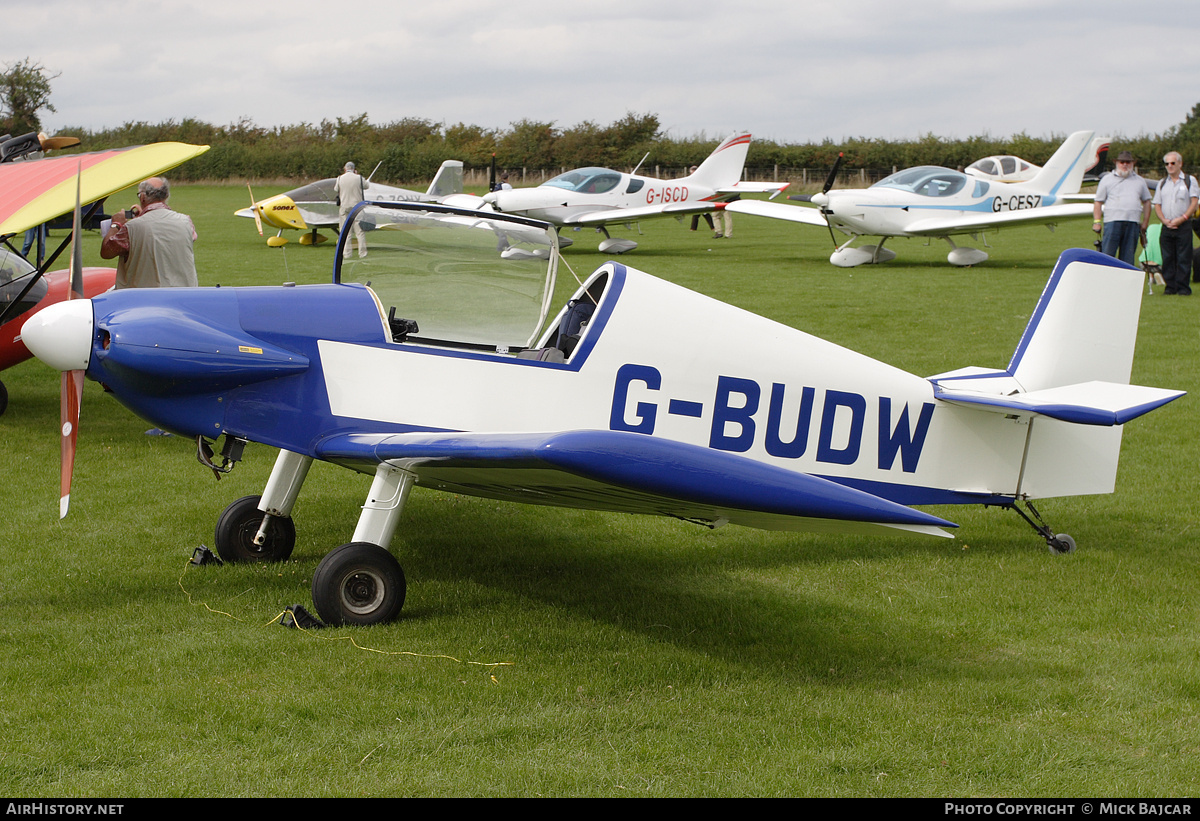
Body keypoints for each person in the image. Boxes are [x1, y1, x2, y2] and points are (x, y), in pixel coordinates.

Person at [100, 177, 197, 289]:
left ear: (142, 197)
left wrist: (116, 224)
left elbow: (107, 252)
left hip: (145, 298)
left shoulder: (132, 227)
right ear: (166, 196)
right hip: (183, 294)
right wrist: (142, 216)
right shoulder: (186, 221)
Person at [1151, 152, 1198, 295]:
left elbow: (1194, 202)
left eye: (1173, 163)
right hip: (1167, 226)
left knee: (1184, 258)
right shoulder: (1162, 183)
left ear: (1180, 164)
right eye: (1167, 164)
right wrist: (1164, 220)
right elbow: (1157, 204)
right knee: (1168, 258)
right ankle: (1170, 287)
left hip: (1183, 225)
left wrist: (1183, 218)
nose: (1170, 166)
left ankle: (1183, 288)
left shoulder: (1190, 181)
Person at [1092, 151, 1151, 266]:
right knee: (1107, 256)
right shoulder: (1107, 179)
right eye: (1122, 162)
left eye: (1128, 162)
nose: (1125, 165)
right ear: (1116, 163)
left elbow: (1147, 201)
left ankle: (1125, 282)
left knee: (1128, 258)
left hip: (1133, 223)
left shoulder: (1140, 181)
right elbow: (1098, 202)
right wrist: (1097, 222)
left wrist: (1145, 222)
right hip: (1112, 222)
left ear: (1132, 164)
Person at [334, 161, 369, 259]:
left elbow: (336, 189)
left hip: (345, 207)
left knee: (346, 232)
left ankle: (347, 254)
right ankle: (362, 253)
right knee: (359, 232)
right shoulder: (359, 178)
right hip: (357, 207)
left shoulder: (340, 178)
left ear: (345, 169)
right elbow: (367, 186)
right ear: (354, 169)